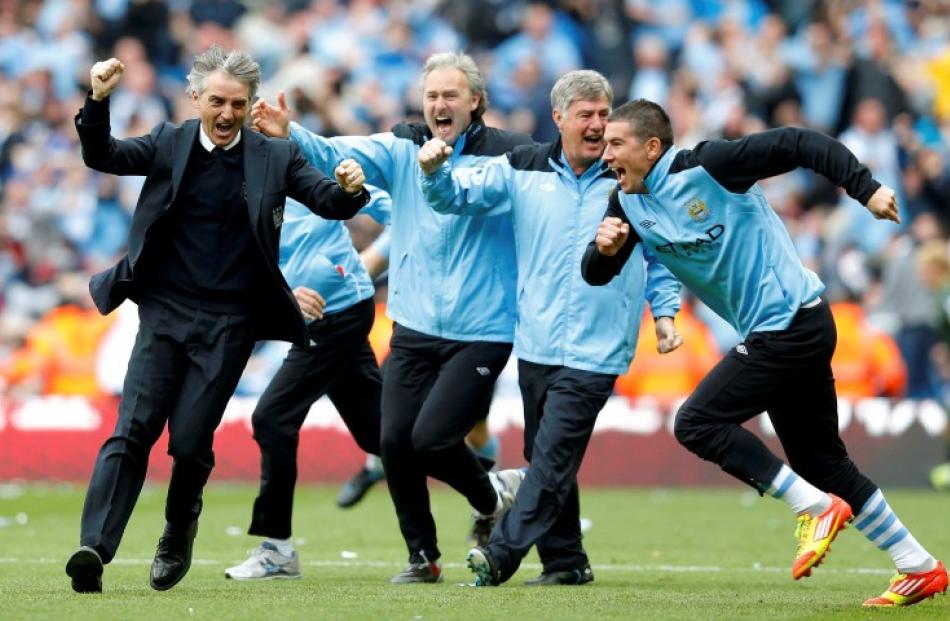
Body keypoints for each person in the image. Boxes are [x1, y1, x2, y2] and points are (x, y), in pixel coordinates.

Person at [582, 99, 947, 607]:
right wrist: (600, 251)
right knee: (824, 463)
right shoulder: (626, 201)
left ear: (651, 147)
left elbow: (801, 142)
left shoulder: (711, 167)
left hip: (793, 324)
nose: (605, 154)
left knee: (696, 423)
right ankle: (919, 566)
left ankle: (813, 508)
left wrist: (865, 189)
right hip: (782, 330)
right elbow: (596, 274)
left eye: (616, 144)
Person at [65, 46, 370, 594]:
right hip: (163, 314)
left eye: (237, 103)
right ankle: (94, 547)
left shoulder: (275, 156)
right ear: (196, 98)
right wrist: (98, 100)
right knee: (131, 429)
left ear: (251, 104)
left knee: (187, 442)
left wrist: (351, 188)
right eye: (216, 102)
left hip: (231, 323)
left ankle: (178, 531)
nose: (226, 114)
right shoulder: (168, 141)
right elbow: (103, 155)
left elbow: (328, 201)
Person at [252, 51, 530, 583]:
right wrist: (293, 132)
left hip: (482, 331)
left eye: (451, 95)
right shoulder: (402, 146)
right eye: (432, 96)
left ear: (475, 100)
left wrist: (435, 174)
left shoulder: (507, 158)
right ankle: (425, 556)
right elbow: (338, 151)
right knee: (393, 441)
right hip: (414, 325)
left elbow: (455, 199)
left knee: (430, 440)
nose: (440, 104)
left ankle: (491, 494)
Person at [417, 70, 682, 586]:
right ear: (558, 118)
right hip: (537, 340)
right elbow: (453, 197)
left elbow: (663, 257)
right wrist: (433, 173)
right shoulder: (520, 167)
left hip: (599, 345)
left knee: (552, 457)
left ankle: (501, 553)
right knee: (546, 456)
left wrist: (665, 315)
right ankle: (566, 562)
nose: (599, 125)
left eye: (605, 114)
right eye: (586, 114)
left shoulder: (628, 178)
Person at [224, 190, 390, 581]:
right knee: (382, 434)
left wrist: (376, 256)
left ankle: (276, 548)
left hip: (339, 312)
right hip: (322, 317)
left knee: (271, 417)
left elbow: (393, 206)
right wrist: (282, 298)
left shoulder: (309, 164)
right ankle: (491, 489)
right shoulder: (242, 184)